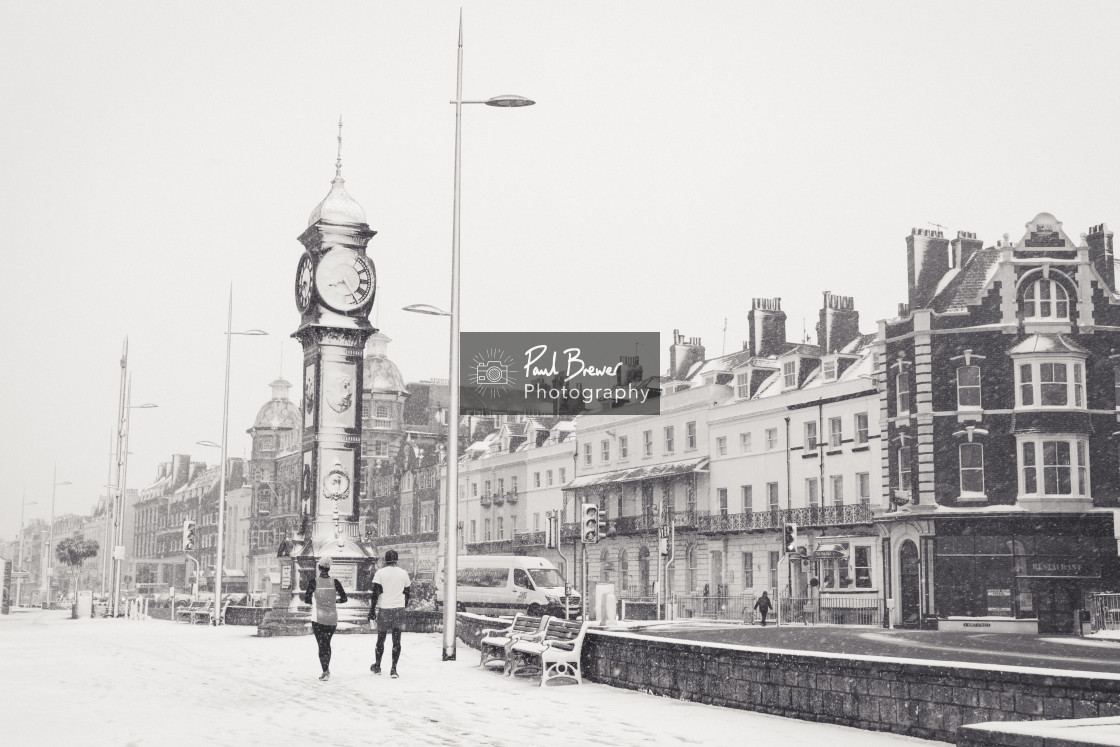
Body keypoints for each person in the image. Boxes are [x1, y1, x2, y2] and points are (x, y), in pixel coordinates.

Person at [302, 557, 348, 681]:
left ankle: (325, 670)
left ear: (319, 568)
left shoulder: (314, 581)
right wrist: (334, 601)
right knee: (327, 643)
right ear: (329, 568)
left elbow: (306, 599)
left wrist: (315, 600)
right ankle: (326, 669)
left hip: (318, 618)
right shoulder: (335, 582)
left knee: (321, 645)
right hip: (332, 618)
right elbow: (344, 598)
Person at [368, 549, 411, 679]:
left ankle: (378, 665)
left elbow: (375, 593)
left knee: (381, 639)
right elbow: (407, 592)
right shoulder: (403, 573)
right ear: (396, 559)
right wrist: (403, 604)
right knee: (396, 640)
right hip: (398, 609)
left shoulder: (380, 573)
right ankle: (393, 669)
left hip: (385, 609)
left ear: (385, 560)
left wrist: (372, 610)